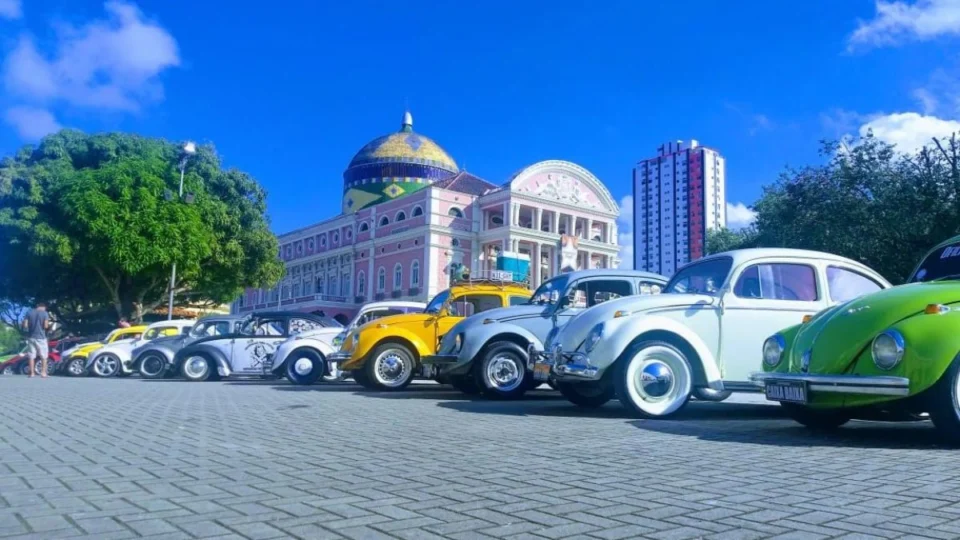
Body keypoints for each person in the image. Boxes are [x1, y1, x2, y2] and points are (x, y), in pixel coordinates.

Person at [21, 301, 51, 378]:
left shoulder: (29, 312)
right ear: (44, 307)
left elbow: (25, 325)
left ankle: (32, 373)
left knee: (31, 355)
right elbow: (45, 326)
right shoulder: (45, 313)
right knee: (44, 356)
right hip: (41, 337)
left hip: (31, 337)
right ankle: (43, 373)